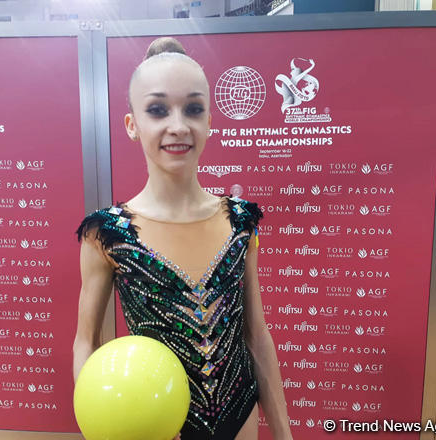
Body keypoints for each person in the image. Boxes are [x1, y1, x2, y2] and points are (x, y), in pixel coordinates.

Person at [73, 37, 294, 440]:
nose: (178, 126)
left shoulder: (240, 221)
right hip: (153, 423)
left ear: (209, 120)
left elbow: (256, 336)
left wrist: (283, 434)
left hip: (239, 416)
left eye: (193, 109)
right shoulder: (106, 233)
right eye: (158, 110)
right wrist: (102, 422)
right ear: (132, 125)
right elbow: (86, 342)